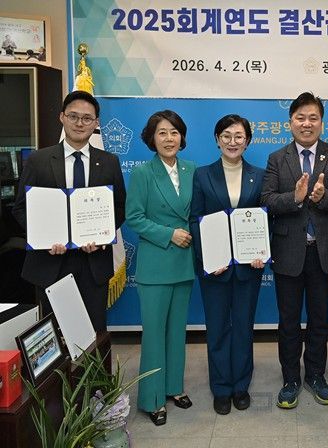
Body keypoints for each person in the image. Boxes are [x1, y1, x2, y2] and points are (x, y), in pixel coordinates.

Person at [261, 92, 328, 409]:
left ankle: (316, 375)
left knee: (319, 320)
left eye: (313, 117)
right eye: (300, 117)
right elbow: (267, 201)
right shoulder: (277, 158)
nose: (307, 123)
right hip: (288, 252)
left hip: (322, 252)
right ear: (290, 122)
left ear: (322, 123)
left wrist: (324, 197)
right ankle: (290, 379)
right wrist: (296, 198)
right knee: (288, 322)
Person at [12, 90, 126, 332]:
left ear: (96, 123)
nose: (79, 123)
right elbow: (21, 208)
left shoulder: (109, 162)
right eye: (73, 116)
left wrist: (103, 236)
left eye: (87, 118)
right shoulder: (38, 160)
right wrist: (43, 238)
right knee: (54, 336)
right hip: (49, 263)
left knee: (93, 334)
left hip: (93, 263)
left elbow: (119, 206)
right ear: (62, 117)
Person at [189, 114, 265, 415]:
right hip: (215, 268)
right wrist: (209, 258)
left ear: (247, 141)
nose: (232, 142)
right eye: (226, 136)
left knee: (244, 327)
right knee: (218, 327)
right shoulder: (202, 175)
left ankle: (241, 385)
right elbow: (195, 219)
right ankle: (221, 387)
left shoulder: (260, 175)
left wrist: (262, 251)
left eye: (239, 136)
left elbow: (266, 218)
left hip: (248, 267)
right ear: (217, 139)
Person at [125, 110, 196, 426]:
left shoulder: (192, 169)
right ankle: (152, 399)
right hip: (156, 263)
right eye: (162, 133)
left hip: (184, 263)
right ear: (152, 138)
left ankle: (174, 387)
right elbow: (134, 217)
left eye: (174, 132)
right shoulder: (143, 173)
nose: (169, 138)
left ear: (182, 137)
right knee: (154, 334)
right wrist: (169, 234)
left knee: (177, 331)